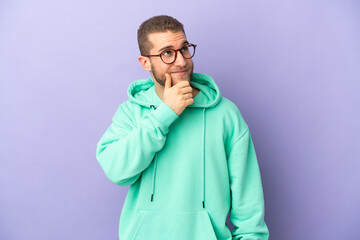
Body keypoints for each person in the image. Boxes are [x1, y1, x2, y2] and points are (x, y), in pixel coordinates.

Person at [96, 15, 269, 240]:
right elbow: (117, 171)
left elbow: (249, 203)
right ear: (145, 62)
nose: (181, 61)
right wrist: (165, 114)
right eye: (167, 52)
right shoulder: (131, 113)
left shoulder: (225, 114)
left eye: (184, 48)